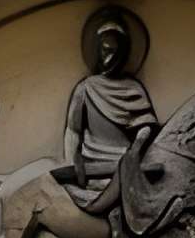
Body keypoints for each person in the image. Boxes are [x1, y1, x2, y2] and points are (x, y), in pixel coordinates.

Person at [58, 12, 157, 198]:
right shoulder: (85, 89)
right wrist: (73, 165)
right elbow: (73, 130)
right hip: (93, 169)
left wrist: (136, 148)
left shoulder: (133, 88)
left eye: (114, 50)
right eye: (105, 49)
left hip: (126, 167)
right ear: (97, 50)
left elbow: (146, 126)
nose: (109, 56)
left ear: (123, 51)